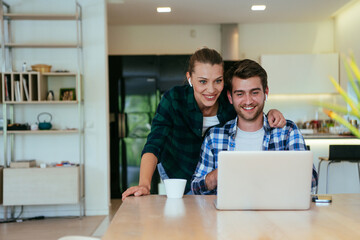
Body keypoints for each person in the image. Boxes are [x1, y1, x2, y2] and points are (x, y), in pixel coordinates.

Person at [122, 48, 286, 200]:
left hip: (210, 175)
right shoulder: (174, 99)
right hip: (177, 167)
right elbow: (154, 143)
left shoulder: (228, 101)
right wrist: (144, 184)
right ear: (190, 78)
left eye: (218, 81)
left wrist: (271, 113)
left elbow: (249, 110)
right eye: (202, 82)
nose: (211, 90)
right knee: (183, 213)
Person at [191, 59, 318, 195]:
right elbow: (195, 188)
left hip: (276, 214)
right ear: (230, 97)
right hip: (227, 215)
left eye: (254, 92)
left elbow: (311, 180)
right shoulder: (215, 136)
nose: (248, 101)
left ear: (266, 92)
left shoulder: (287, 131)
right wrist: (217, 176)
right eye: (240, 94)